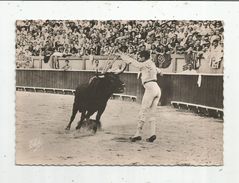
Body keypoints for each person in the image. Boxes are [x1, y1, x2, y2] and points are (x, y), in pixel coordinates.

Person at [119, 50, 162, 142]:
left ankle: (138, 134)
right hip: (157, 88)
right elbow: (160, 71)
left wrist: (123, 56)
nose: (138, 58)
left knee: (143, 110)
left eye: (139, 57)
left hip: (150, 88)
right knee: (152, 112)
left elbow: (135, 63)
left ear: (143, 57)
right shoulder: (152, 64)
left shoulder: (145, 63)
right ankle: (152, 133)